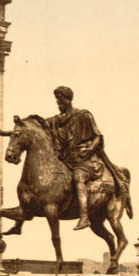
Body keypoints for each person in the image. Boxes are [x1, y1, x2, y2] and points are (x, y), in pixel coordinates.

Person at [47, 86, 131, 231]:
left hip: (86, 161)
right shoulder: (55, 120)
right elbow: (35, 127)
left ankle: (84, 216)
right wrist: (10, 132)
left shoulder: (83, 115)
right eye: (57, 101)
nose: (58, 104)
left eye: (60, 100)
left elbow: (98, 137)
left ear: (68, 100)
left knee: (78, 177)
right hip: (67, 161)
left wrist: (89, 149)